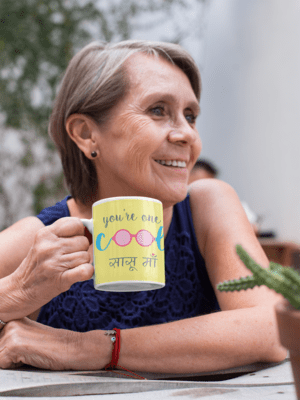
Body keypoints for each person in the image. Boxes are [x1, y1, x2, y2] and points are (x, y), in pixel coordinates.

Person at [0, 40, 286, 372]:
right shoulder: (40, 239)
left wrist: (86, 347)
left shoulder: (207, 206)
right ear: (86, 133)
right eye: (158, 110)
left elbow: (273, 329)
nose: (187, 135)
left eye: (190, 116)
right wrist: (15, 294)